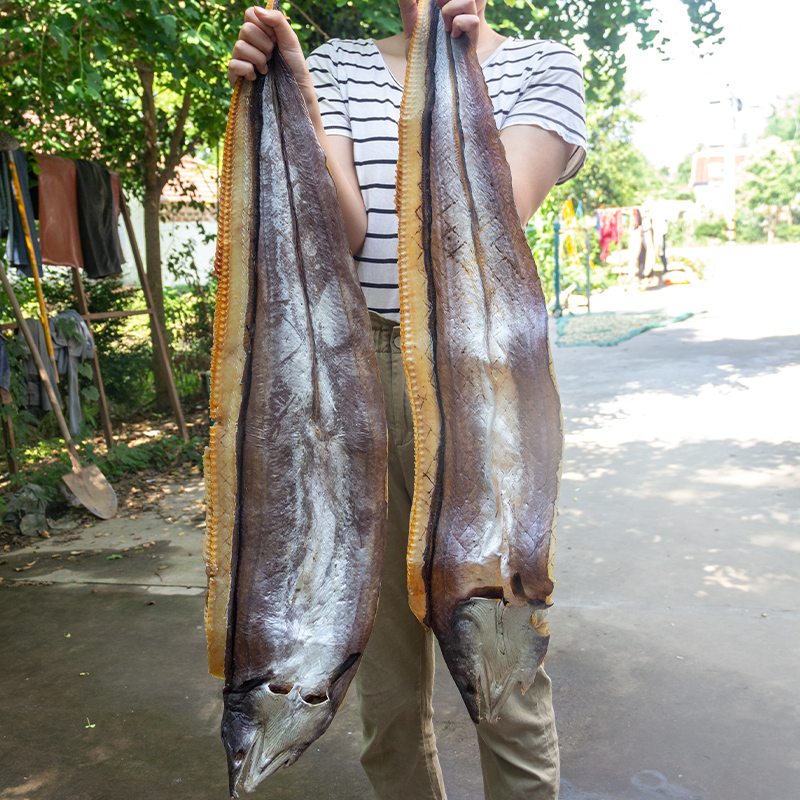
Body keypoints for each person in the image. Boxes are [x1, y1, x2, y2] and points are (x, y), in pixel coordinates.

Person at [228, 3, 587, 798]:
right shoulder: (341, 65)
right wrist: (296, 99)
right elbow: (347, 230)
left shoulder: (545, 65)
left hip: (483, 384)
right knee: (385, 691)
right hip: (355, 380)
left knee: (502, 679)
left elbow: (494, 216)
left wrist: (443, 61)